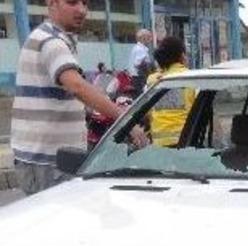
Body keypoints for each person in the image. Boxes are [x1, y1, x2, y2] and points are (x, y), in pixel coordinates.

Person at [10, 0, 146, 196]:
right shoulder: (52, 41)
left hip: (46, 159)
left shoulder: (51, 38)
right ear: (51, 3)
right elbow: (77, 86)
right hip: (49, 162)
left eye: (85, 3)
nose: (82, 10)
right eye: (72, 2)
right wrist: (127, 121)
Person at [145, 36, 195, 148]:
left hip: (159, 145)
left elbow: (147, 112)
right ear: (182, 55)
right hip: (186, 142)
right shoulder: (190, 78)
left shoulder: (152, 80)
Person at [127, 28, 155, 94]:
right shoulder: (140, 49)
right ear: (143, 38)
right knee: (142, 96)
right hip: (140, 78)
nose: (150, 39)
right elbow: (138, 64)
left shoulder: (138, 48)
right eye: (149, 37)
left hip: (137, 77)